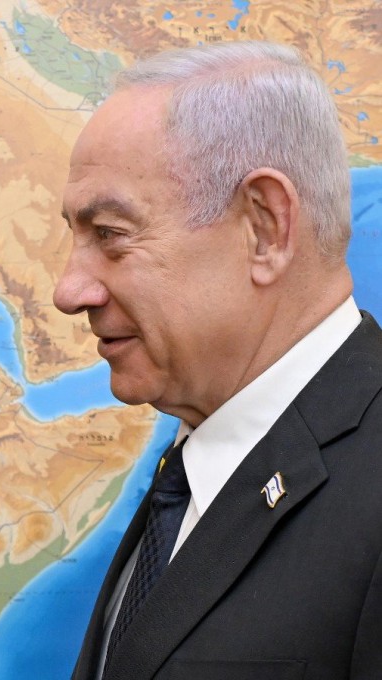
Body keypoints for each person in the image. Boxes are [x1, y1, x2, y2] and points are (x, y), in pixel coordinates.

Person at [55, 41, 382, 679]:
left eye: (111, 235)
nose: (69, 291)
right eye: (75, 234)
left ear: (264, 226)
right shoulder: (193, 472)